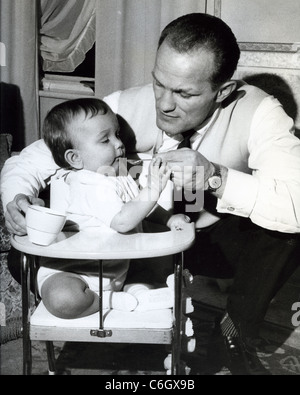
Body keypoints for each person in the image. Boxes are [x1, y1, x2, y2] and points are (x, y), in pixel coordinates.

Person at [1, 13, 300, 374]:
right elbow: (37, 156)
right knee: (24, 255)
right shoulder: (129, 105)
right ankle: (108, 309)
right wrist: (16, 200)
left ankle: (234, 331)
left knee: (283, 233)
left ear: (223, 91)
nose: (164, 104)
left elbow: (295, 203)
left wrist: (216, 177)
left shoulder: (260, 112)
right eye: (159, 83)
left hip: (211, 242)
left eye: (184, 93)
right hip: (135, 239)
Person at [31, 98, 189, 319]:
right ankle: (112, 301)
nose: (119, 143)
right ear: (75, 158)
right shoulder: (87, 183)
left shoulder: (118, 176)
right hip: (72, 272)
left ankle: (133, 296)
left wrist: (169, 220)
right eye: (105, 140)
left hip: (114, 270)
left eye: (117, 134)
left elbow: (140, 208)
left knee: (147, 282)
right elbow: (123, 221)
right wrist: (153, 189)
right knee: (63, 299)